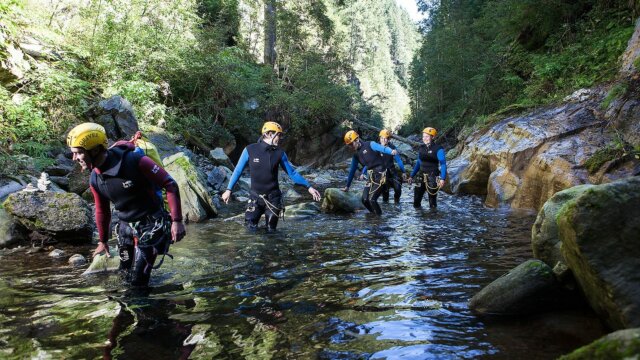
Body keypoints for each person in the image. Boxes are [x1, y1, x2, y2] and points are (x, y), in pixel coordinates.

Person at [67, 123, 186, 287]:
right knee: (124, 273)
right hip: (125, 228)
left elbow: (170, 184)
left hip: (152, 225)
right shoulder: (95, 178)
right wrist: (103, 241)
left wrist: (177, 221)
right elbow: (102, 211)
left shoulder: (134, 160)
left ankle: (155, 308)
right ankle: (128, 310)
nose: (75, 158)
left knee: (138, 282)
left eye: (79, 153)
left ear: (94, 150)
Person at [221, 121, 321, 231]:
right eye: (278, 134)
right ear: (268, 134)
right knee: (250, 230)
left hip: (274, 200)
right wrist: (228, 189)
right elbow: (238, 170)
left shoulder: (280, 153)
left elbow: (292, 173)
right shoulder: (250, 150)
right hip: (255, 199)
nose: (280, 138)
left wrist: (309, 187)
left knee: (271, 232)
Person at [342, 130, 399, 215]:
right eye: (349, 145)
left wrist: (391, 151)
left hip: (381, 175)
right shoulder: (356, 155)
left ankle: (379, 219)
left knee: (372, 199)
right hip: (371, 178)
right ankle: (374, 215)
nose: (350, 146)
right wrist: (347, 186)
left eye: (351, 144)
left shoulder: (370, 144)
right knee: (364, 200)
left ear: (357, 140)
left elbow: (381, 148)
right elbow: (352, 171)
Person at [407, 127, 447, 209]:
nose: (424, 139)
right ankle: (419, 219)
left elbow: (443, 164)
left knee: (432, 202)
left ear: (433, 137)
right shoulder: (421, 148)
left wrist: (442, 178)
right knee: (416, 202)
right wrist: (411, 176)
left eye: (427, 136)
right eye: (423, 136)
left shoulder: (438, 149)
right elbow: (418, 162)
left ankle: (432, 219)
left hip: (432, 177)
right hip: (420, 176)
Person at [366, 129, 405, 203]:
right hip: (381, 173)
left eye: (385, 138)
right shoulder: (376, 147)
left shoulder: (392, 147)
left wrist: (403, 172)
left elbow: (398, 160)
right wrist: (363, 172)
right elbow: (370, 162)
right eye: (382, 138)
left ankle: (397, 202)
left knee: (398, 188)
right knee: (385, 193)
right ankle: (386, 209)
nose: (383, 140)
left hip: (392, 171)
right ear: (379, 138)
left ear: (389, 139)